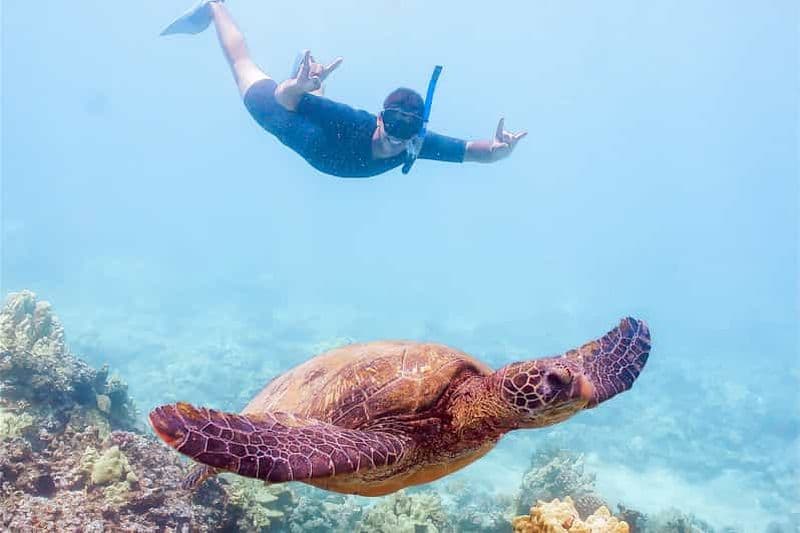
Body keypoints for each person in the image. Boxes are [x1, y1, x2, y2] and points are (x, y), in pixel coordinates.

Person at [161, 0, 527, 178]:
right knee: (243, 65)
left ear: (418, 129)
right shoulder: (354, 121)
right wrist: (296, 87)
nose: (397, 140)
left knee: (315, 101)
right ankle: (214, 7)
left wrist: (500, 150)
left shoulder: (416, 143)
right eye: (393, 126)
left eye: (408, 130)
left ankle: (310, 80)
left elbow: (473, 152)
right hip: (278, 115)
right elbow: (283, 100)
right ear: (380, 119)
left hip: (319, 135)